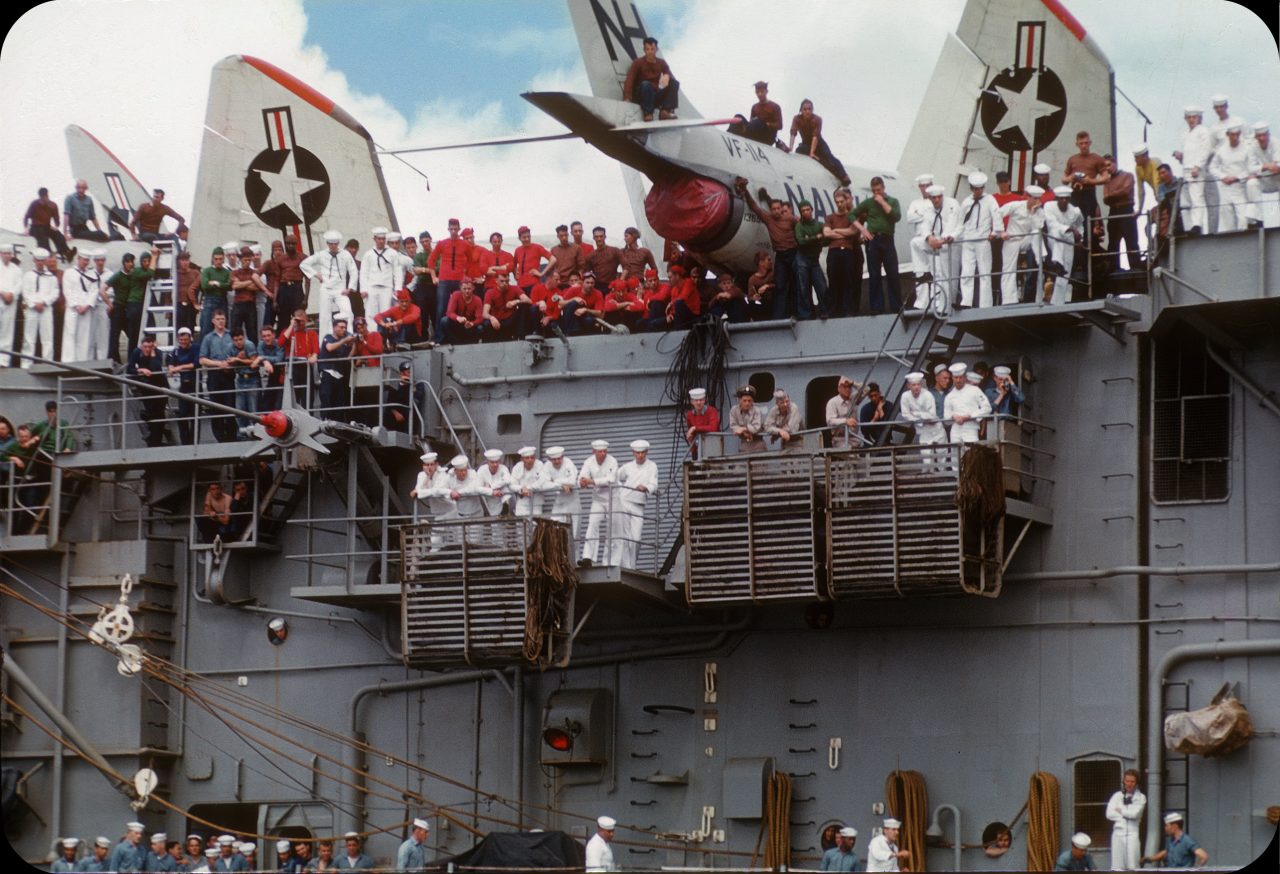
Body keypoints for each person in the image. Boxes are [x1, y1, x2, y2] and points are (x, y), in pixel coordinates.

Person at [736, 178, 801, 319]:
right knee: (781, 286)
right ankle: (779, 316)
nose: (776, 211)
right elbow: (754, 207)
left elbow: (803, 225)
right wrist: (746, 191)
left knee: (796, 283)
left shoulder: (791, 219)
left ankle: (798, 314)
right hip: (781, 256)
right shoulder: (768, 218)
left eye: (778, 209)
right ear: (771, 210)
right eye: (774, 209)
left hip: (793, 253)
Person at [849, 177, 903, 313]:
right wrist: (863, 230)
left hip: (887, 239)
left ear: (883, 188)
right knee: (874, 274)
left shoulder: (893, 201)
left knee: (892, 273)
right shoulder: (868, 203)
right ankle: (877, 307)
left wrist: (883, 203)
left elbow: (896, 217)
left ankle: (896, 306)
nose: (876, 193)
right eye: (874, 191)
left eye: (878, 190)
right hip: (873, 239)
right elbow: (851, 215)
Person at [910, 184, 959, 314]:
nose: (936, 200)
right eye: (933, 198)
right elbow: (925, 226)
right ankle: (923, 272)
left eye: (938, 197)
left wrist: (941, 240)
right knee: (915, 243)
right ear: (930, 198)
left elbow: (953, 225)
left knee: (947, 275)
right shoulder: (929, 208)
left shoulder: (952, 205)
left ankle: (947, 305)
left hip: (951, 242)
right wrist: (929, 238)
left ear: (942, 196)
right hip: (936, 242)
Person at [997, 185, 1047, 304]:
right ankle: (1009, 300)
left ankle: (1041, 259)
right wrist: (1001, 232)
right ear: (1028, 197)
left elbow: (1038, 227)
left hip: (1027, 240)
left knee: (1036, 233)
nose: (1036, 201)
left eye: (1038, 199)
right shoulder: (1016, 205)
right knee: (1008, 269)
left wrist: (1033, 213)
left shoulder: (1040, 212)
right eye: (1034, 198)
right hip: (1012, 239)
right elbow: (998, 214)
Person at [956, 172, 998, 308]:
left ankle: (985, 304)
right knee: (967, 272)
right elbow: (960, 222)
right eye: (975, 188)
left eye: (980, 188)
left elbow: (996, 215)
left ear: (983, 188)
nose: (977, 191)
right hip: (968, 240)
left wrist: (995, 231)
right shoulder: (966, 202)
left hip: (982, 240)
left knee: (985, 272)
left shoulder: (990, 200)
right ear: (971, 189)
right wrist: (954, 235)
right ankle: (966, 301)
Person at [822, 188, 866, 317]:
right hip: (834, 251)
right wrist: (843, 233)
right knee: (834, 279)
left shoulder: (852, 216)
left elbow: (853, 231)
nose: (840, 204)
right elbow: (826, 233)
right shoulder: (830, 217)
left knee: (849, 280)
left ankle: (849, 309)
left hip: (850, 251)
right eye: (838, 202)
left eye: (842, 201)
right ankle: (833, 309)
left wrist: (835, 231)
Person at [614, 439, 657, 568]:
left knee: (636, 538)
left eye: (643, 453)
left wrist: (646, 487)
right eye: (637, 453)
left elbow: (654, 483)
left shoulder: (652, 466)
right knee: (627, 538)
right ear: (633, 453)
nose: (640, 455)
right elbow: (616, 477)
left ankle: (632, 564)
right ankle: (629, 567)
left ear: (646, 452)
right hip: (625, 501)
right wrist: (622, 488)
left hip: (639, 504)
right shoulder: (627, 466)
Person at [789, 99, 850, 185]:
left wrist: (812, 152)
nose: (807, 111)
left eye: (809, 109)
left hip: (819, 143)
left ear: (812, 110)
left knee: (829, 157)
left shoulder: (817, 119)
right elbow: (793, 132)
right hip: (806, 143)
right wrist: (790, 147)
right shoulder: (797, 119)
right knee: (799, 151)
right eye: (805, 109)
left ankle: (844, 175)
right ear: (801, 110)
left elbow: (815, 136)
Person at [1173, 106, 1213, 235]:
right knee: (1186, 200)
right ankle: (1188, 226)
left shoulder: (1203, 131)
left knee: (1197, 197)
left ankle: (1197, 225)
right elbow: (1190, 153)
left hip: (1196, 170)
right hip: (1186, 169)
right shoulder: (1185, 134)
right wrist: (1180, 156)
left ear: (1199, 118)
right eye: (1189, 117)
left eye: (1194, 117)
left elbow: (1206, 150)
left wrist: (1198, 166)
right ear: (1185, 118)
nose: (1191, 120)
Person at [579, 439, 618, 567]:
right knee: (592, 525)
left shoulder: (612, 461)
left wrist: (591, 481)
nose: (603, 454)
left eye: (604, 451)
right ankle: (588, 557)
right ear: (594, 451)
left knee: (611, 530)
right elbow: (582, 477)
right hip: (598, 500)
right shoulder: (588, 462)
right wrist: (583, 482)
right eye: (600, 451)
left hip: (613, 499)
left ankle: (609, 561)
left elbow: (610, 479)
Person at [127, 334, 170, 446]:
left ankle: (157, 439)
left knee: (159, 414)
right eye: (145, 347)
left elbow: (155, 368)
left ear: (153, 346)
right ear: (141, 346)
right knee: (151, 413)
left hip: (159, 387)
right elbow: (130, 369)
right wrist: (141, 370)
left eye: (149, 347)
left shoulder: (158, 353)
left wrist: (152, 355)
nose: (147, 349)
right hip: (147, 387)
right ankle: (154, 438)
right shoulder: (137, 352)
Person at [1043, 186, 1084, 304]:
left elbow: (1080, 226)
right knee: (1056, 236)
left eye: (1066, 199)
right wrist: (1069, 228)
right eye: (1061, 199)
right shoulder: (1049, 206)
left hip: (1069, 240)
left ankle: (1058, 302)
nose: (1064, 201)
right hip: (1054, 237)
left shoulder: (1075, 211)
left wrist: (1079, 237)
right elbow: (1052, 224)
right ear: (1057, 199)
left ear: (1069, 199)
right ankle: (1057, 262)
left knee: (1066, 271)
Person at [19, 247, 59, 366]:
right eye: (38, 260)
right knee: (29, 338)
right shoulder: (28, 275)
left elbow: (55, 293)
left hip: (46, 309)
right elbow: (25, 292)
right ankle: (26, 364)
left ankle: (47, 364)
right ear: (34, 260)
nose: (40, 263)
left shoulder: (51, 277)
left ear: (45, 261)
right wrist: (34, 304)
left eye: (42, 260)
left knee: (47, 338)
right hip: (32, 309)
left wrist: (44, 302)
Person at [1209, 121, 1251, 232]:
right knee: (1226, 220)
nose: (1235, 137)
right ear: (1227, 135)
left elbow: (1251, 168)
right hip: (1225, 188)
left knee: (1243, 218)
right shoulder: (1221, 150)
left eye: (1237, 134)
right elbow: (1212, 167)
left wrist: (1238, 177)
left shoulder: (1247, 148)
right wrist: (1223, 177)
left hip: (1240, 188)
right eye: (1233, 134)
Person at [623, 37, 678, 121]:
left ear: (657, 49)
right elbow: (629, 79)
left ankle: (665, 111)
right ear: (644, 50)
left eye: (652, 49)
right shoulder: (638, 62)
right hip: (642, 95)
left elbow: (670, 76)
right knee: (646, 84)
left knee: (674, 83)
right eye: (647, 49)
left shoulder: (661, 62)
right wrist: (627, 97)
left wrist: (667, 75)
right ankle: (648, 113)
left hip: (654, 95)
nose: (650, 52)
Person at [794, 200, 831, 319]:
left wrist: (809, 238)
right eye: (803, 211)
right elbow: (801, 241)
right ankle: (805, 315)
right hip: (802, 260)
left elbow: (826, 240)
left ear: (812, 210)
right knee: (803, 289)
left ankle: (825, 311)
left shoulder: (819, 225)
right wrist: (816, 237)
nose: (806, 213)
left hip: (814, 261)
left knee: (821, 286)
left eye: (807, 210)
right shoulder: (799, 226)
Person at [1104, 768, 1146, 870]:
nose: (1129, 784)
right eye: (1127, 781)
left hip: (1132, 834)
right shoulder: (1117, 796)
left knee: (1133, 865)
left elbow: (1134, 814)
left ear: (1136, 783)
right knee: (1117, 866)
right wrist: (1124, 817)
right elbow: (1109, 814)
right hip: (1118, 833)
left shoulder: (1141, 797)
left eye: (1132, 781)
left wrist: (1121, 810)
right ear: (1124, 781)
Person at [943, 364, 992, 443]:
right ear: (952, 378)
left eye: (960, 377)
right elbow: (946, 417)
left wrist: (970, 416)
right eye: (956, 377)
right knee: (955, 454)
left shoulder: (975, 390)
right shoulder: (949, 396)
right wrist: (953, 416)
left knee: (971, 453)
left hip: (971, 428)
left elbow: (987, 408)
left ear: (965, 377)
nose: (958, 380)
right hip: (955, 430)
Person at [318, 317, 356, 417]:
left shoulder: (344, 343)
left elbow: (348, 358)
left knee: (339, 403)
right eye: (341, 327)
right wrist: (344, 340)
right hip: (328, 372)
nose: (344, 330)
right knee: (326, 399)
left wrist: (353, 344)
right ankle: (325, 420)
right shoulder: (328, 337)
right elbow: (330, 348)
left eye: (345, 328)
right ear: (334, 328)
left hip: (339, 375)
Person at [24, 187, 75, 260]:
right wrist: (26, 228)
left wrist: (56, 226)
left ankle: (67, 252)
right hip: (36, 227)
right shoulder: (34, 204)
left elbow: (57, 220)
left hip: (47, 226)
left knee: (58, 235)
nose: (44, 199)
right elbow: (27, 217)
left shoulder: (52, 205)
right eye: (42, 198)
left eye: (45, 197)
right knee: (43, 238)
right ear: (40, 197)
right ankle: (48, 254)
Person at [1143, 812, 1209, 868]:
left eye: (1167, 826)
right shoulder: (1171, 840)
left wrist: (1195, 870)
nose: (1165, 829)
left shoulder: (1187, 841)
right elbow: (1165, 852)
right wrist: (1150, 859)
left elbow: (1204, 856)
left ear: (1175, 826)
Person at [542, 446, 580, 532]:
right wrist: (562, 485)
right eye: (554, 459)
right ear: (549, 459)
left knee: (573, 530)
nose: (557, 461)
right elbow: (544, 484)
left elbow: (572, 481)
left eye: (559, 459)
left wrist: (554, 481)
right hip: (559, 501)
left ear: (562, 457)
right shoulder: (546, 466)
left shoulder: (568, 463)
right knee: (554, 527)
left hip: (572, 500)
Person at [508, 446, 549, 518]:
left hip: (537, 501)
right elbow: (512, 484)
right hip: (522, 501)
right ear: (522, 459)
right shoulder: (517, 467)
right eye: (527, 458)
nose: (530, 460)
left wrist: (528, 488)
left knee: (537, 525)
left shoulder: (540, 465)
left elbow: (542, 481)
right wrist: (521, 489)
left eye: (532, 457)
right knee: (521, 525)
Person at [741, 81, 783, 145]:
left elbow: (780, 125)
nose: (760, 94)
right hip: (755, 131)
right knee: (739, 117)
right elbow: (751, 122)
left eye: (762, 92)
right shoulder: (754, 107)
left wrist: (767, 124)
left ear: (766, 91)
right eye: (757, 92)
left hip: (767, 136)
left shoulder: (775, 106)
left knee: (758, 122)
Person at [0, 243, 21, 366]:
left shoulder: (16, 269)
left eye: (9, 253)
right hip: (0, 298)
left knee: (7, 331)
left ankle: (3, 361)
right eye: (5, 253)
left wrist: (11, 294)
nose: (7, 255)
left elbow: (19, 284)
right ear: (0, 254)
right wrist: (2, 293)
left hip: (10, 302)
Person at [825, 377, 860, 448]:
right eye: (844, 387)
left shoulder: (853, 399)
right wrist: (846, 421)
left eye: (849, 387)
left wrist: (853, 383)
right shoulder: (832, 402)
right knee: (850, 456)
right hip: (840, 440)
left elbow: (867, 389)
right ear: (839, 389)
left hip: (854, 439)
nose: (848, 389)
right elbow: (830, 421)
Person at [685, 387, 720, 457]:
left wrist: (695, 428)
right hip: (697, 448)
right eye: (696, 400)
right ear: (692, 402)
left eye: (701, 400)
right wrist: (692, 444)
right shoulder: (689, 414)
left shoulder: (712, 411)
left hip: (713, 446)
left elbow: (713, 428)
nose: (698, 402)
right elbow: (691, 432)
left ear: (704, 400)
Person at [477, 448, 512, 517]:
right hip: (490, 499)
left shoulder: (503, 468)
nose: (495, 465)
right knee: (495, 523)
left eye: (497, 462)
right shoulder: (482, 470)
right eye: (492, 462)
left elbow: (508, 480)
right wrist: (492, 491)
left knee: (506, 487)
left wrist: (491, 486)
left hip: (503, 498)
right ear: (487, 462)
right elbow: (477, 488)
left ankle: (506, 509)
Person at [730, 384, 764, 453]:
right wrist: (744, 433)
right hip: (744, 442)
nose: (747, 403)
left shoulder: (756, 410)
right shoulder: (734, 410)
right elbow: (733, 426)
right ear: (739, 400)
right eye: (744, 400)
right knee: (742, 463)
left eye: (749, 401)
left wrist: (743, 429)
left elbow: (756, 427)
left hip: (758, 443)